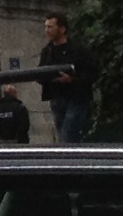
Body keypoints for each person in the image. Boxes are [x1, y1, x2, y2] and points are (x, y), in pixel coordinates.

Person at [37, 14, 94, 144]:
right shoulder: (47, 51)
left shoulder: (78, 50)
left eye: (50, 27)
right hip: (56, 98)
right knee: (63, 133)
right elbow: (40, 71)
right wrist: (47, 77)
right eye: (46, 27)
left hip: (76, 98)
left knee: (69, 133)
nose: (47, 30)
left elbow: (91, 72)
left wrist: (72, 79)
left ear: (62, 29)